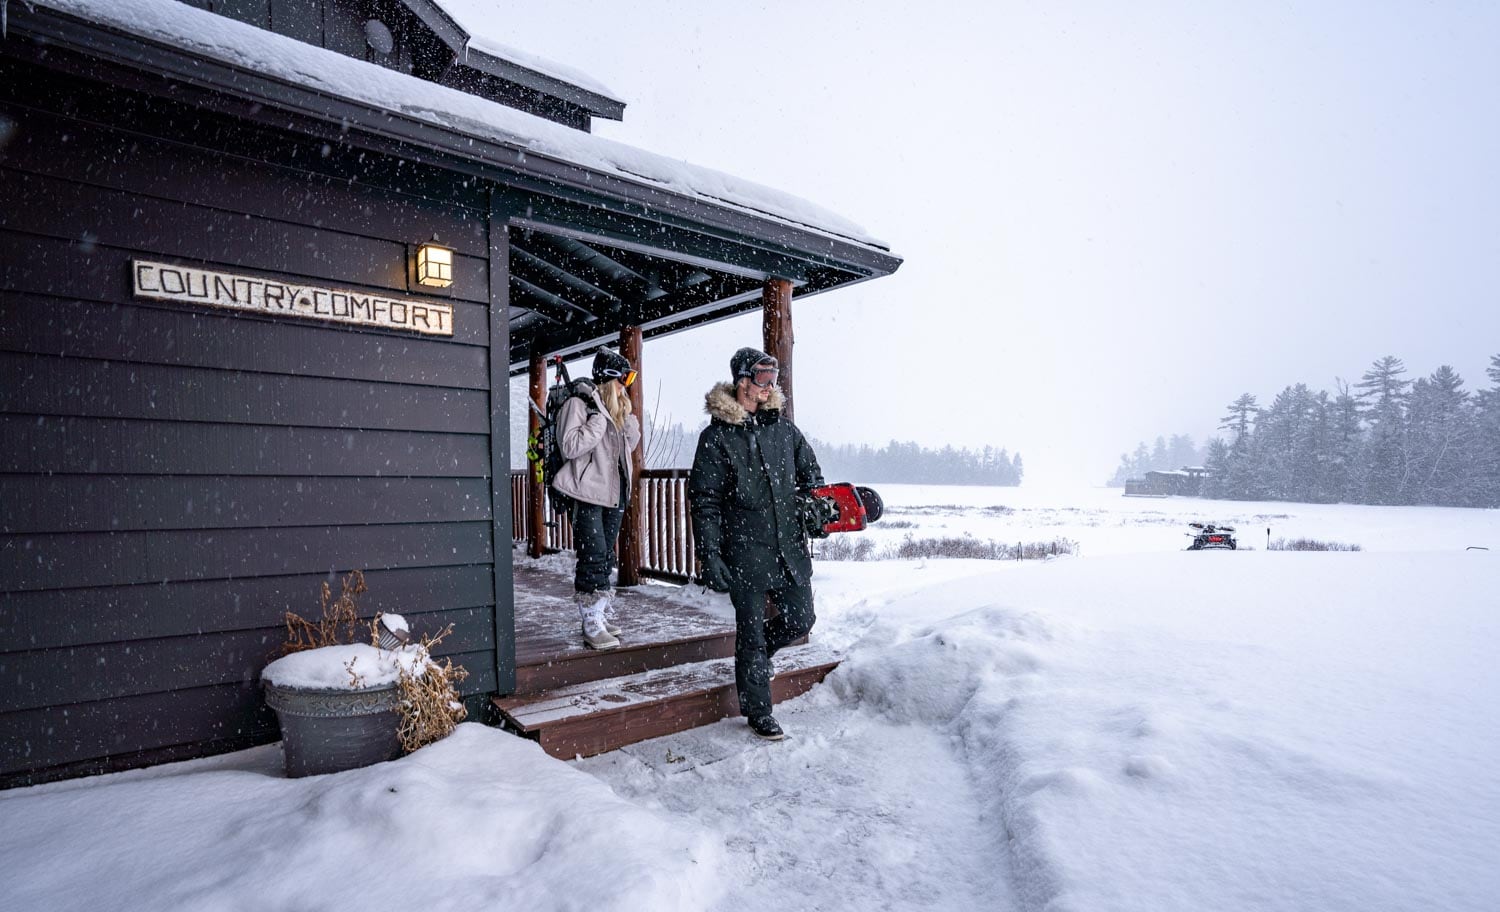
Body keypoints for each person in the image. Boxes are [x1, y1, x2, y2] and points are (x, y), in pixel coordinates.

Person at [689, 347, 824, 741]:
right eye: (762, 377)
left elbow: (811, 475)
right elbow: (705, 501)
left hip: (788, 548)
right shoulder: (716, 438)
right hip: (744, 550)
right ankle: (758, 711)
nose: (770, 386)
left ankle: (756, 659)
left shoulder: (785, 431)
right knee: (749, 632)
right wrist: (710, 555)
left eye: (774, 377)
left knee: (802, 618)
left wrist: (814, 505)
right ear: (743, 381)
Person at [552, 349, 641, 650]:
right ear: (608, 379)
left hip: (613, 494)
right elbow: (570, 445)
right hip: (587, 493)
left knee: (605, 557)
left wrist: (625, 421)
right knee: (592, 555)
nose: (625, 386)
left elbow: (626, 448)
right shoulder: (580, 404)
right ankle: (590, 620)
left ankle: (599, 614)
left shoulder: (609, 408)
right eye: (622, 379)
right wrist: (598, 421)